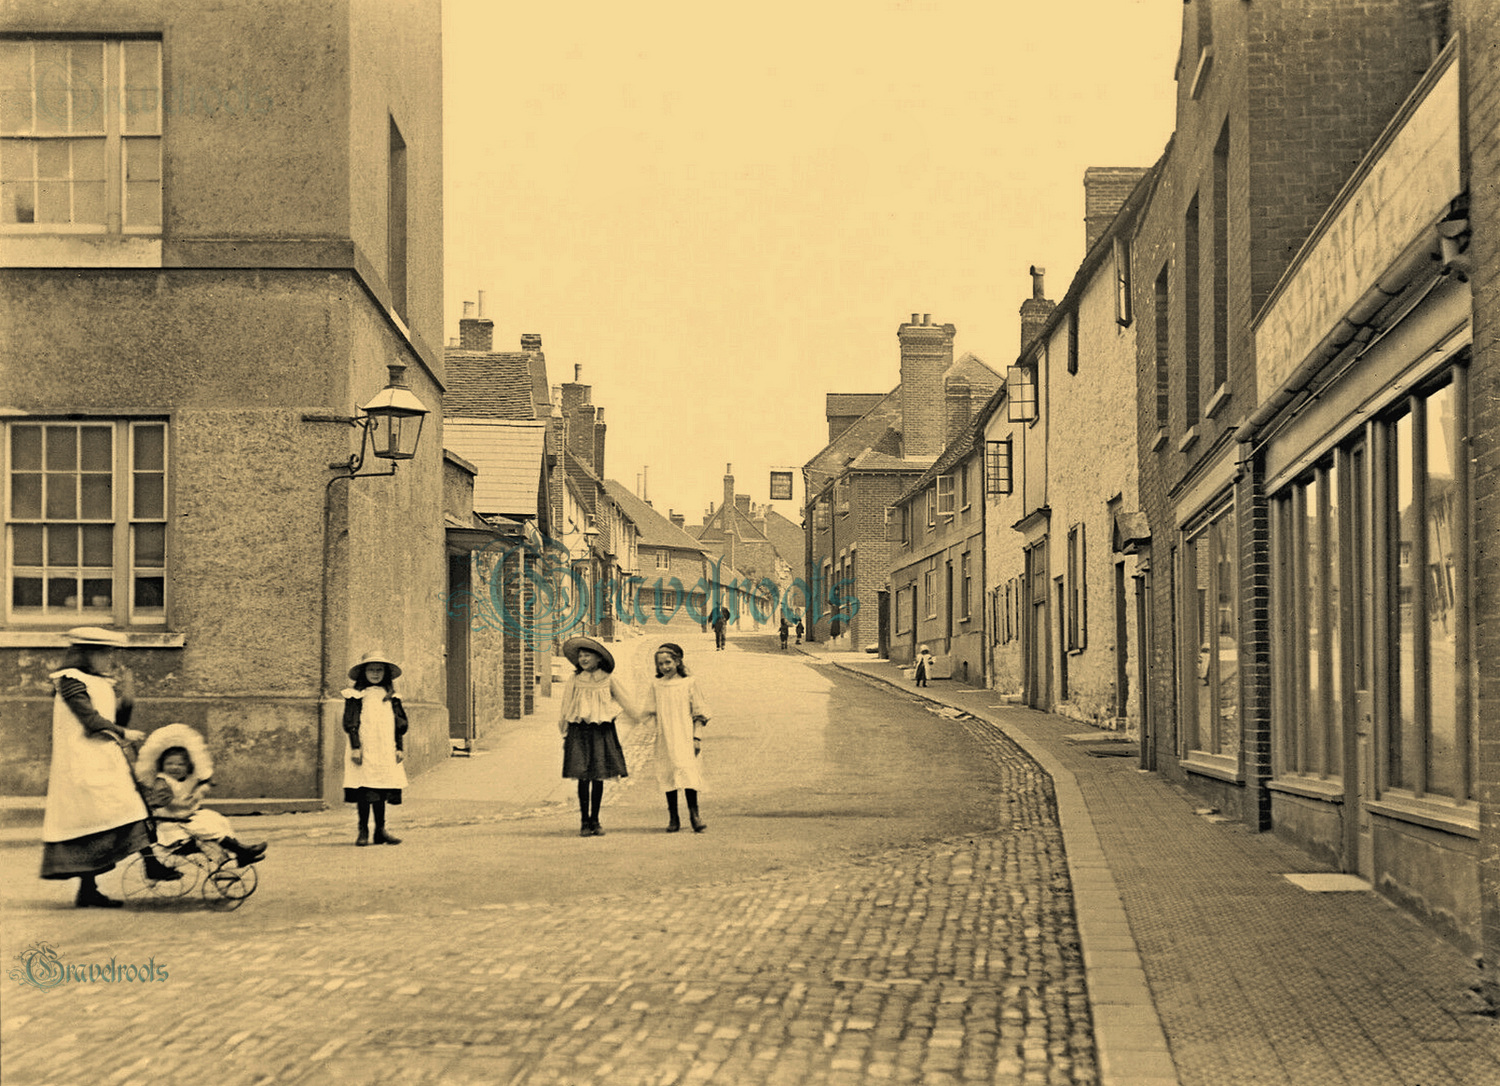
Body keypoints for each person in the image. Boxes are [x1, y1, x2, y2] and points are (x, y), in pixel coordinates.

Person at [41, 626, 173, 907]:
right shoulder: (70, 681)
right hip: (81, 765)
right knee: (106, 818)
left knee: (122, 812)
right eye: (104, 653)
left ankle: (93, 889)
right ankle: (149, 866)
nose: (109, 659)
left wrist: (128, 698)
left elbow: (114, 721)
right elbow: (91, 721)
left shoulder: (99, 682)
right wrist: (125, 733)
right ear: (85, 654)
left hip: (102, 761)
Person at [136, 723, 267, 868]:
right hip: (171, 824)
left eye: (180, 764)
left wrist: (203, 786)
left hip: (184, 819)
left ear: (188, 767)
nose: (174, 767)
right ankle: (240, 851)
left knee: (215, 821)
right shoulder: (162, 782)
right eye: (170, 764)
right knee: (205, 829)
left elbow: (200, 784)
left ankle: (231, 859)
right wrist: (188, 802)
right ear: (161, 764)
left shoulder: (183, 780)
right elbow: (169, 803)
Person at [559, 636, 638, 836]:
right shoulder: (575, 680)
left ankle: (595, 819)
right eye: (581, 656)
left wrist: (641, 717)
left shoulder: (608, 679)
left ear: (599, 659)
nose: (583, 659)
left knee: (598, 776)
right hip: (579, 731)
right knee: (582, 777)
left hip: (602, 731)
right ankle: (584, 821)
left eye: (588, 655)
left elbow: (626, 702)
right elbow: (566, 706)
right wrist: (565, 730)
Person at [642, 642, 711, 833]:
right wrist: (652, 730)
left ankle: (695, 815)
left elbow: (699, 711)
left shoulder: (689, 683)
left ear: (678, 662)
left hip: (685, 735)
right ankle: (673, 817)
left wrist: (697, 737)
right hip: (665, 737)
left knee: (688, 773)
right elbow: (649, 711)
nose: (665, 667)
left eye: (668, 662)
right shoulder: (656, 685)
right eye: (660, 664)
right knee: (667, 774)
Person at [342, 651, 408, 847]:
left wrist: (399, 747)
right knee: (364, 788)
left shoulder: (392, 697)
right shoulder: (356, 696)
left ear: (385, 673)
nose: (375, 673)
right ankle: (363, 830)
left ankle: (380, 830)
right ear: (364, 672)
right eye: (371, 670)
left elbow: (399, 724)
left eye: (379, 670)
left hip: (385, 748)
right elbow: (351, 723)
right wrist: (356, 747)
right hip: (364, 748)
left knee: (381, 788)